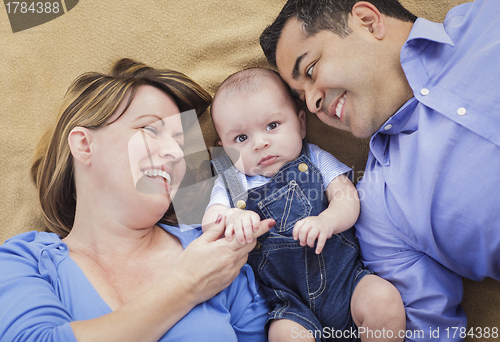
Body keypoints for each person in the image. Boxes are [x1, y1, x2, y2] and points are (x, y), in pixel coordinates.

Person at [260, 0, 500, 341]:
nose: (312, 104)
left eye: (311, 70)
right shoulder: (379, 207)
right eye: (302, 98)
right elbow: (428, 329)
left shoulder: (488, 19)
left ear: (367, 21)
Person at [0, 58, 275, 342]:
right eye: (151, 129)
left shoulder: (217, 253)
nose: (175, 153)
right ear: (84, 145)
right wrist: (187, 285)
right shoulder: (24, 260)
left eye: (182, 144)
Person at [202, 68, 405, 342]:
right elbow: (209, 221)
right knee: (284, 336)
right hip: (288, 305)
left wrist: (328, 221)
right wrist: (230, 220)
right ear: (224, 149)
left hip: (346, 282)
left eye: (272, 126)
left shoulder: (316, 159)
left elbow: (347, 196)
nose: (260, 143)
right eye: (241, 138)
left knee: (384, 300)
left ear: (301, 124)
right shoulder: (230, 183)